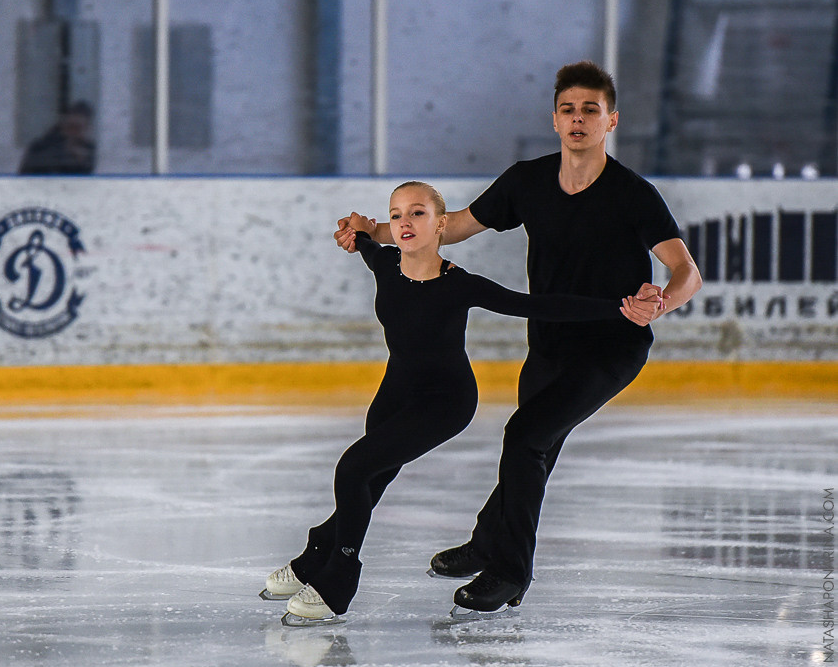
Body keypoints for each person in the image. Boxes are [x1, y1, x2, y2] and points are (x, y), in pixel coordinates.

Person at [333, 61, 702, 614]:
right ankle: (488, 541)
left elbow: (687, 271)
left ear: (611, 121)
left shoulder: (632, 193)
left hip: (611, 347)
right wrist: (373, 233)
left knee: (527, 436)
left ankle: (509, 572)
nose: (578, 119)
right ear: (555, 120)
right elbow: (448, 226)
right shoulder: (527, 181)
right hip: (548, 342)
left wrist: (660, 303)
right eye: (568, 109)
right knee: (535, 448)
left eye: (590, 110)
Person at [264, 180, 659, 626]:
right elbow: (360, 239)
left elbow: (538, 305)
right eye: (396, 215)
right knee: (369, 482)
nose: (405, 222)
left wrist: (620, 308)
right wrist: (357, 229)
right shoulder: (384, 263)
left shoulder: (459, 285)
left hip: (444, 402)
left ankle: (338, 580)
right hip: (394, 394)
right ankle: (316, 552)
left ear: (441, 225)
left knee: (353, 468)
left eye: (417, 213)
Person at [19, 101, 96, 175]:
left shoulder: (87, 148)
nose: (74, 132)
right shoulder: (42, 146)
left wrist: (81, 161)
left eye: (79, 128)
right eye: (72, 127)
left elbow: (85, 176)